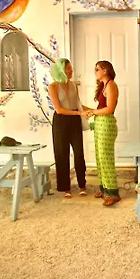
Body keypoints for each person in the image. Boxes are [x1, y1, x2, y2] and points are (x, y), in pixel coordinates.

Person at [48, 58, 87, 198]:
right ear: (61, 70)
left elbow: (78, 104)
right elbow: (59, 109)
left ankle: (82, 185)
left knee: (79, 153)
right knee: (62, 154)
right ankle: (66, 188)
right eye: (68, 68)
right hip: (61, 122)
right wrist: (78, 113)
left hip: (74, 121)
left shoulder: (74, 85)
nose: (71, 71)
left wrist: (90, 111)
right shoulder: (53, 86)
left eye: (71, 68)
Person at [83, 60, 120, 207]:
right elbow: (101, 108)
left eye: (97, 69)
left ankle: (113, 193)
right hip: (100, 123)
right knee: (100, 157)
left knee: (106, 158)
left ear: (105, 70)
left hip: (106, 123)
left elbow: (109, 109)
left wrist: (93, 112)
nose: (95, 72)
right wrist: (88, 110)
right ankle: (105, 189)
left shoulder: (111, 85)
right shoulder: (103, 85)